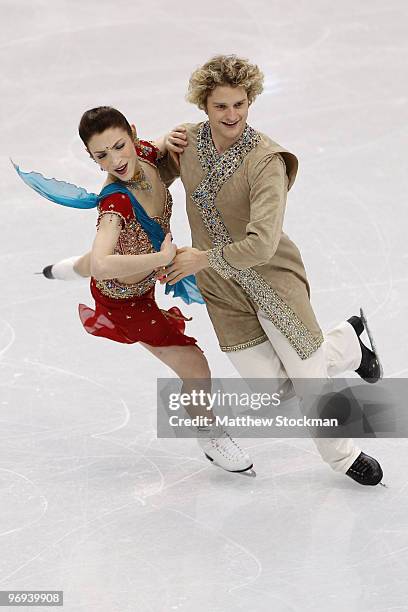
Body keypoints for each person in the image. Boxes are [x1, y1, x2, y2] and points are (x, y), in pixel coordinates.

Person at [40, 56, 384, 486]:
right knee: (273, 389)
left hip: (272, 278)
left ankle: (344, 456)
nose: (232, 115)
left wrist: (196, 258)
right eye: (221, 106)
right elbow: (146, 174)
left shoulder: (266, 162)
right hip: (222, 290)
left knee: (310, 385)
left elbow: (262, 244)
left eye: (240, 104)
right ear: (205, 106)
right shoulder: (191, 143)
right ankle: (349, 341)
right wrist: (126, 178)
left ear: (250, 101)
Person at [14, 106, 255, 475]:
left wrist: (166, 140)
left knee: (87, 264)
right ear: (92, 159)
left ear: (133, 135)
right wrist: (159, 258)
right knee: (195, 366)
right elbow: (103, 264)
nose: (116, 160)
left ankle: (61, 270)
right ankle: (210, 437)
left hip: (136, 270)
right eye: (102, 155)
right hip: (124, 301)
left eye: (119, 145)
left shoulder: (142, 153)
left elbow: (153, 148)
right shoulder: (115, 204)